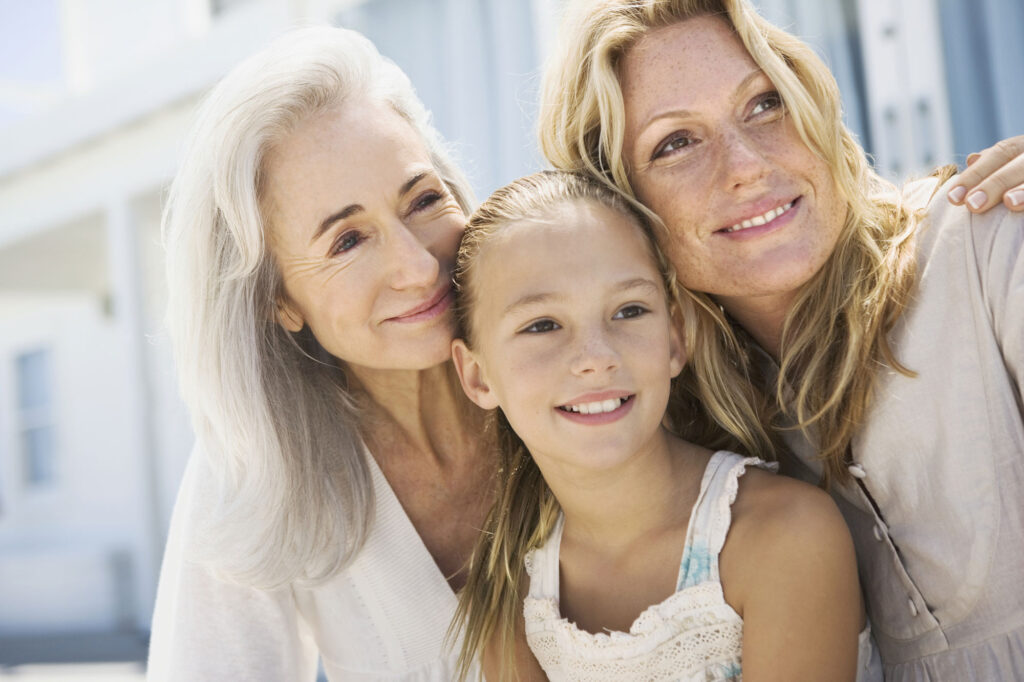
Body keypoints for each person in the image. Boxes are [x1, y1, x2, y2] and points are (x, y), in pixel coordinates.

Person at [538, 1, 1024, 679]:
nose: (746, 165)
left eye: (764, 104)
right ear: (622, 211)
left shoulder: (988, 241)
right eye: (676, 143)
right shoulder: (688, 434)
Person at [147, 26, 493, 680]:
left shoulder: (576, 360)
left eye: (422, 200)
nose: (418, 267)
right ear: (281, 300)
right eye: (347, 241)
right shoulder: (256, 462)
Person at [448, 170, 878, 681]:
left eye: (629, 311)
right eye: (542, 325)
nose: (595, 358)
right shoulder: (513, 593)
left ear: (675, 338)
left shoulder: (779, 535)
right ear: (477, 376)